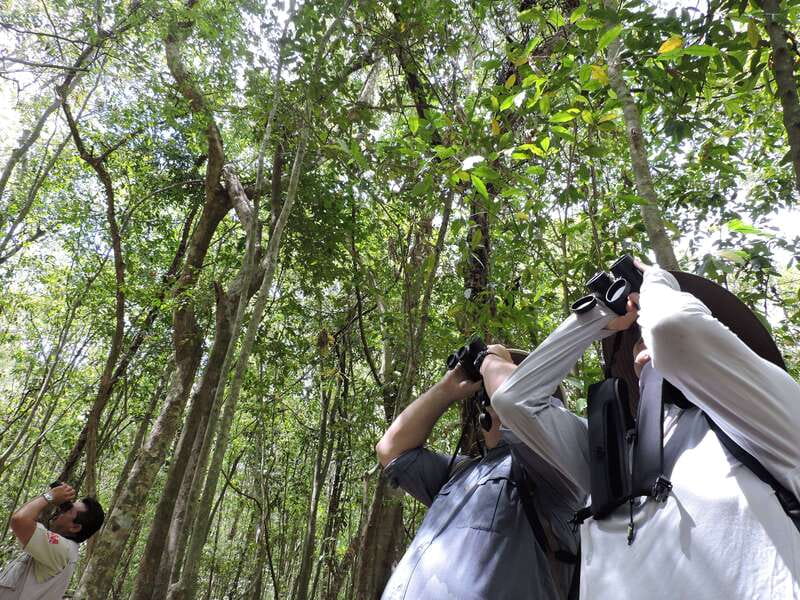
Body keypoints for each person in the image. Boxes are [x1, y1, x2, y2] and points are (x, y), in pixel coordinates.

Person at [480, 260, 800, 599]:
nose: (643, 337)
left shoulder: (764, 421)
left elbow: (671, 327)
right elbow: (516, 401)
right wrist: (599, 317)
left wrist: (656, 281)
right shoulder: (610, 456)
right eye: (635, 337)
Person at [376, 355, 580, 600]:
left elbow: (520, 405)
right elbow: (391, 450)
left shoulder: (558, 470)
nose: (495, 385)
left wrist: (493, 360)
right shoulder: (459, 471)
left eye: (519, 375)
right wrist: (447, 389)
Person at [0, 483, 105, 599]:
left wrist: (49, 496)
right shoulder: (55, 549)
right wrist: (53, 496)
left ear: (75, 527)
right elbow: (23, 516)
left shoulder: (63, 549)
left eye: (68, 509)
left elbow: (19, 520)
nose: (60, 510)